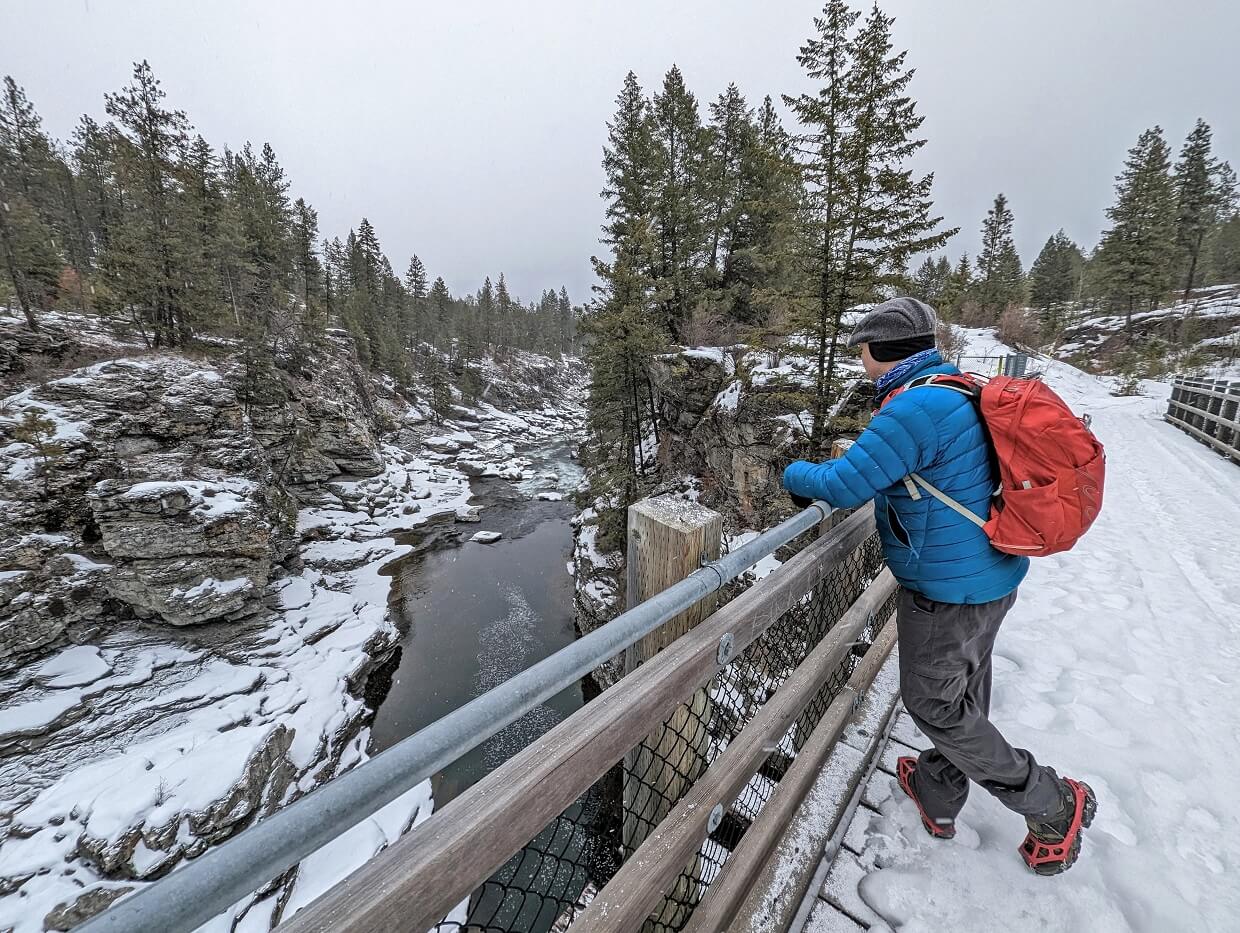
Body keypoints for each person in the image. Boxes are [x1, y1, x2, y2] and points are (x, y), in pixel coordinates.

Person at [781, 297, 1096, 875]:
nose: (860, 362)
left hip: (947, 589)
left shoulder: (914, 409)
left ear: (879, 350)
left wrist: (792, 474)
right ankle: (937, 791)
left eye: (862, 351)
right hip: (990, 572)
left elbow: (845, 482)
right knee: (963, 689)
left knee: (934, 704)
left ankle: (1050, 801)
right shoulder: (956, 387)